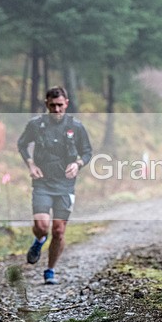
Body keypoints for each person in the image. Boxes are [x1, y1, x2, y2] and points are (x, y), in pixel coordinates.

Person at [17, 86, 93, 285]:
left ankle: (50, 270)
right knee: (42, 227)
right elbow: (22, 144)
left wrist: (77, 164)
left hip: (65, 185)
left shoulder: (76, 127)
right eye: (52, 106)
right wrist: (31, 164)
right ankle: (39, 240)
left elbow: (87, 152)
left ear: (66, 103)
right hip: (42, 182)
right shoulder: (36, 125)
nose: (57, 109)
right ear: (46, 104)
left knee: (58, 231)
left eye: (60, 105)